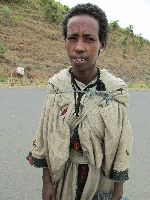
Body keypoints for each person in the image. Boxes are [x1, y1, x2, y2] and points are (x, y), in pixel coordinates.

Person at [26, 3, 132, 200]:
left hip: (100, 180)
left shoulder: (114, 91)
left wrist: (117, 192)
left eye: (89, 39)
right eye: (72, 38)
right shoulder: (57, 87)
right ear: (65, 40)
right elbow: (46, 136)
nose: (79, 47)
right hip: (63, 179)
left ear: (103, 43)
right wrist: (47, 183)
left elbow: (121, 143)